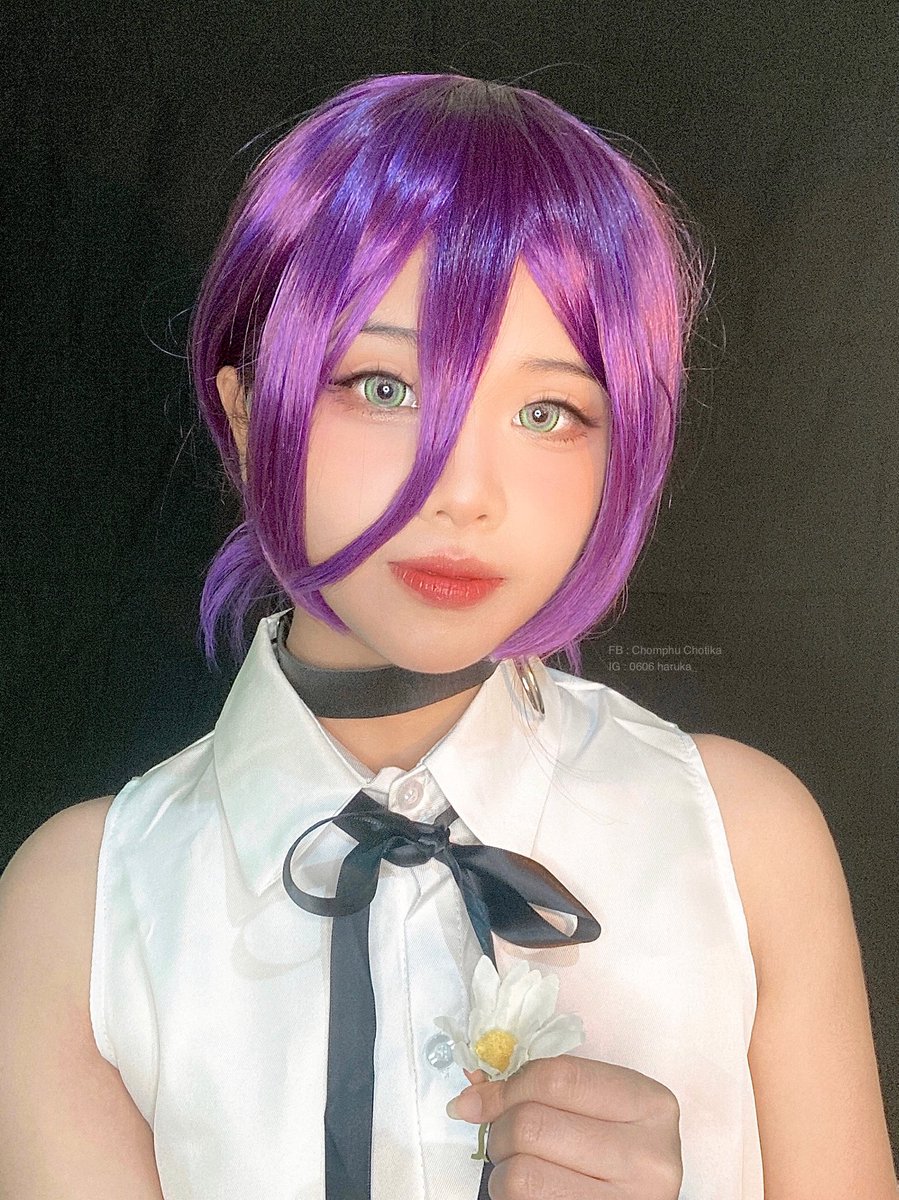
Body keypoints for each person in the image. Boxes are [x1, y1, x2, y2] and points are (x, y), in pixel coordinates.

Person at [0, 72, 894, 1200]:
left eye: (546, 412)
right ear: (247, 412)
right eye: (383, 386)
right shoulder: (83, 905)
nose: (464, 493)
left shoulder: (742, 842)